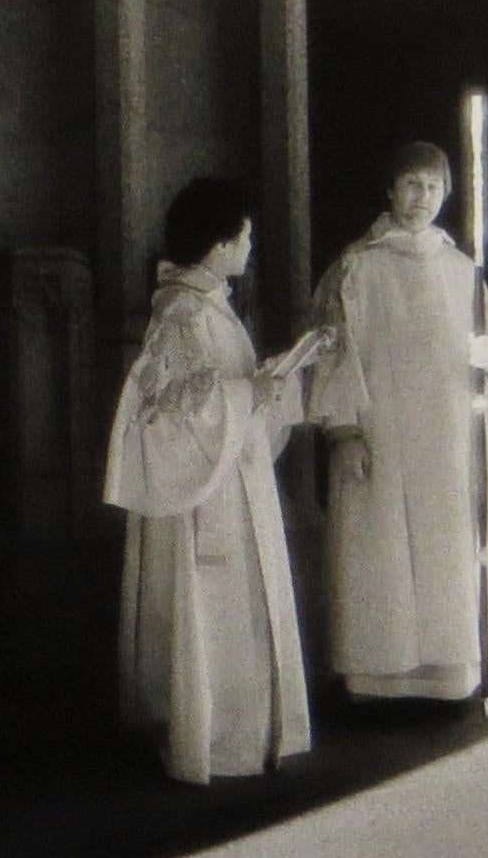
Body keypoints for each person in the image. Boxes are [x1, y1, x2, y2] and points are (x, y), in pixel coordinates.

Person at [106, 178, 326, 785]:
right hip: (204, 494)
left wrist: (271, 385)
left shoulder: (213, 307)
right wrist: (247, 392)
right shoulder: (180, 313)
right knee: (213, 608)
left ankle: (245, 734)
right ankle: (213, 740)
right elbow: (168, 414)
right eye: (245, 236)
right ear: (219, 242)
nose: (250, 247)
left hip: (233, 479)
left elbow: (217, 392)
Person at [306, 141, 488, 704]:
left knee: (445, 548)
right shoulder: (355, 266)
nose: (420, 197)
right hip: (381, 433)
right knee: (382, 550)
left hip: (448, 438)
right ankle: (378, 675)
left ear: (447, 194)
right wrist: (345, 429)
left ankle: (450, 673)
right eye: (410, 184)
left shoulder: (462, 270)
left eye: (432, 186)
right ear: (389, 190)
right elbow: (331, 351)